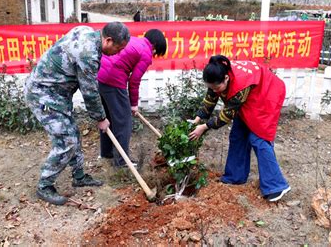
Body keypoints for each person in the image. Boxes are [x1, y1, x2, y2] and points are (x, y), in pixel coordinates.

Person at [24, 22, 130, 205]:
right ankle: (44, 185)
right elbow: (89, 91)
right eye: (118, 48)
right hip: (43, 96)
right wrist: (101, 118)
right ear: (108, 40)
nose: (118, 53)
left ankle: (79, 176)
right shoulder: (88, 53)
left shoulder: (88, 32)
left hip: (57, 94)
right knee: (67, 140)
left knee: (73, 132)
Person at [189, 55, 291, 202]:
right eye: (211, 87)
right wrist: (197, 119)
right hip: (250, 98)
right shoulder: (216, 76)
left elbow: (226, 115)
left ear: (226, 78)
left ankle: (276, 186)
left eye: (217, 88)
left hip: (267, 95)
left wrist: (204, 127)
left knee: (258, 137)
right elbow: (210, 99)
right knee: (238, 135)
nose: (214, 91)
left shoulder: (240, 85)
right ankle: (235, 176)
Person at [97, 29, 167, 167]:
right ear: (155, 46)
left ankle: (106, 153)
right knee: (124, 122)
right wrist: (133, 104)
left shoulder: (134, 40)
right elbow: (134, 80)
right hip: (114, 80)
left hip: (100, 77)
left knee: (108, 118)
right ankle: (122, 162)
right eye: (156, 52)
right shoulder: (146, 53)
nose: (154, 55)